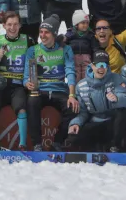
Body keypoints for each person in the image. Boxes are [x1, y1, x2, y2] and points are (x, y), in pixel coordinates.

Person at [25, 16, 78, 151]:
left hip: (59, 90)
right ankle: (37, 144)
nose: (42, 35)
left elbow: (70, 72)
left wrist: (72, 95)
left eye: (46, 32)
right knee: (31, 103)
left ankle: (57, 142)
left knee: (72, 108)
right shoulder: (33, 50)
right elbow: (26, 76)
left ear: (54, 34)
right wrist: (27, 83)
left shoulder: (65, 49)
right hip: (40, 90)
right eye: (41, 32)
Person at [67, 50, 126, 152]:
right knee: (74, 138)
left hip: (112, 123)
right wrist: (75, 123)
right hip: (95, 122)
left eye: (104, 65)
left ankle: (115, 146)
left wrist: (117, 98)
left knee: (122, 112)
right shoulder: (81, 86)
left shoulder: (116, 78)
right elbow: (83, 112)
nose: (101, 68)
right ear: (92, 66)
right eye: (98, 65)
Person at [0, 12, 34, 148]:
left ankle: (22, 144)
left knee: (21, 110)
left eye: (15, 24)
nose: (12, 28)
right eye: (9, 24)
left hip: (19, 85)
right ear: (3, 25)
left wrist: (31, 82)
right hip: (1, 85)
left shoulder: (28, 40)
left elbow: (34, 63)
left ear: (20, 25)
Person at [64, 10, 99, 81]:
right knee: (75, 73)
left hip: (87, 58)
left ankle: (87, 85)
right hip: (74, 58)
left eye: (87, 23)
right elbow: (64, 44)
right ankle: (75, 86)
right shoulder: (70, 34)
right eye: (83, 23)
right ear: (76, 24)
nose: (85, 25)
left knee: (87, 72)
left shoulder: (90, 35)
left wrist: (96, 56)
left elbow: (95, 47)